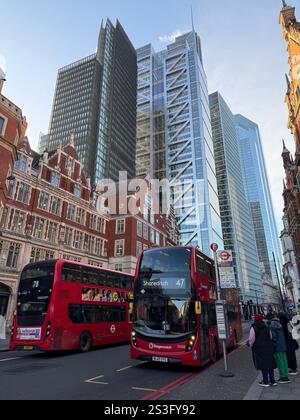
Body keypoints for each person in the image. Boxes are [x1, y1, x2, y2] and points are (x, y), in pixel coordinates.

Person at [248, 314, 277, 388]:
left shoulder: (254, 327)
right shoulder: (267, 327)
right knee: (270, 364)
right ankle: (272, 380)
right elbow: (270, 336)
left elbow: (251, 339)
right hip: (268, 347)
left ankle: (265, 381)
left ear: (255, 319)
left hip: (259, 348)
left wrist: (250, 345)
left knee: (263, 364)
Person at [269, 313, 291, 384]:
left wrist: (273, 344)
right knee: (284, 360)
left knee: (280, 361)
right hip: (283, 344)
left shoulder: (272, 325)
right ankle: (286, 376)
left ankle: (283, 377)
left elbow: (273, 337)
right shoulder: (279, 323)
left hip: (278, 345)